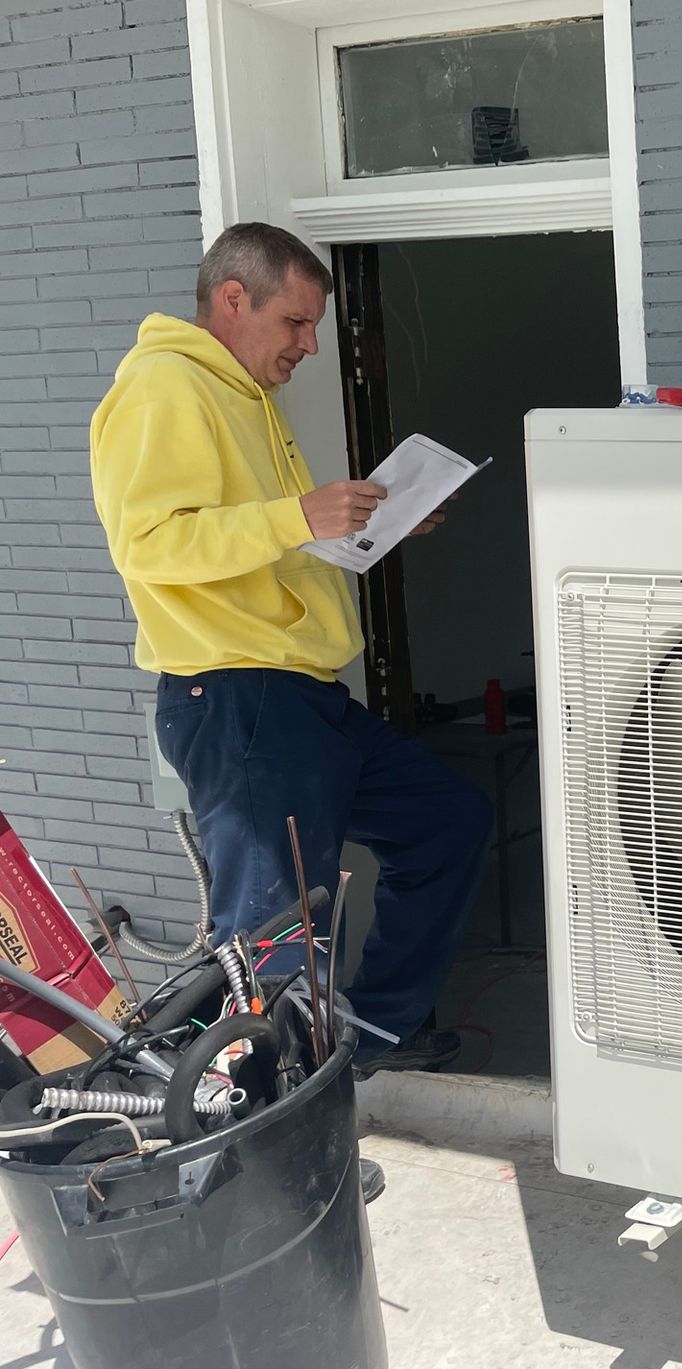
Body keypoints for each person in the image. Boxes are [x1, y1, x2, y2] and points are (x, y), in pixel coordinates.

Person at [91, 222, 490, 1078]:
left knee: (448, 820)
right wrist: (302, 515)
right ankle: (262, 1108)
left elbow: (252, 543)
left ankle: (376, 1032)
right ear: (234, 299)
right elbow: (151, 544)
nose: (311, 345)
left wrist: (364, 527)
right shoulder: (164, 387)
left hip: (303, 695)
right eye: (297, 323)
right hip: (236, 694)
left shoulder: (244, 399)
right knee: (274, 926)